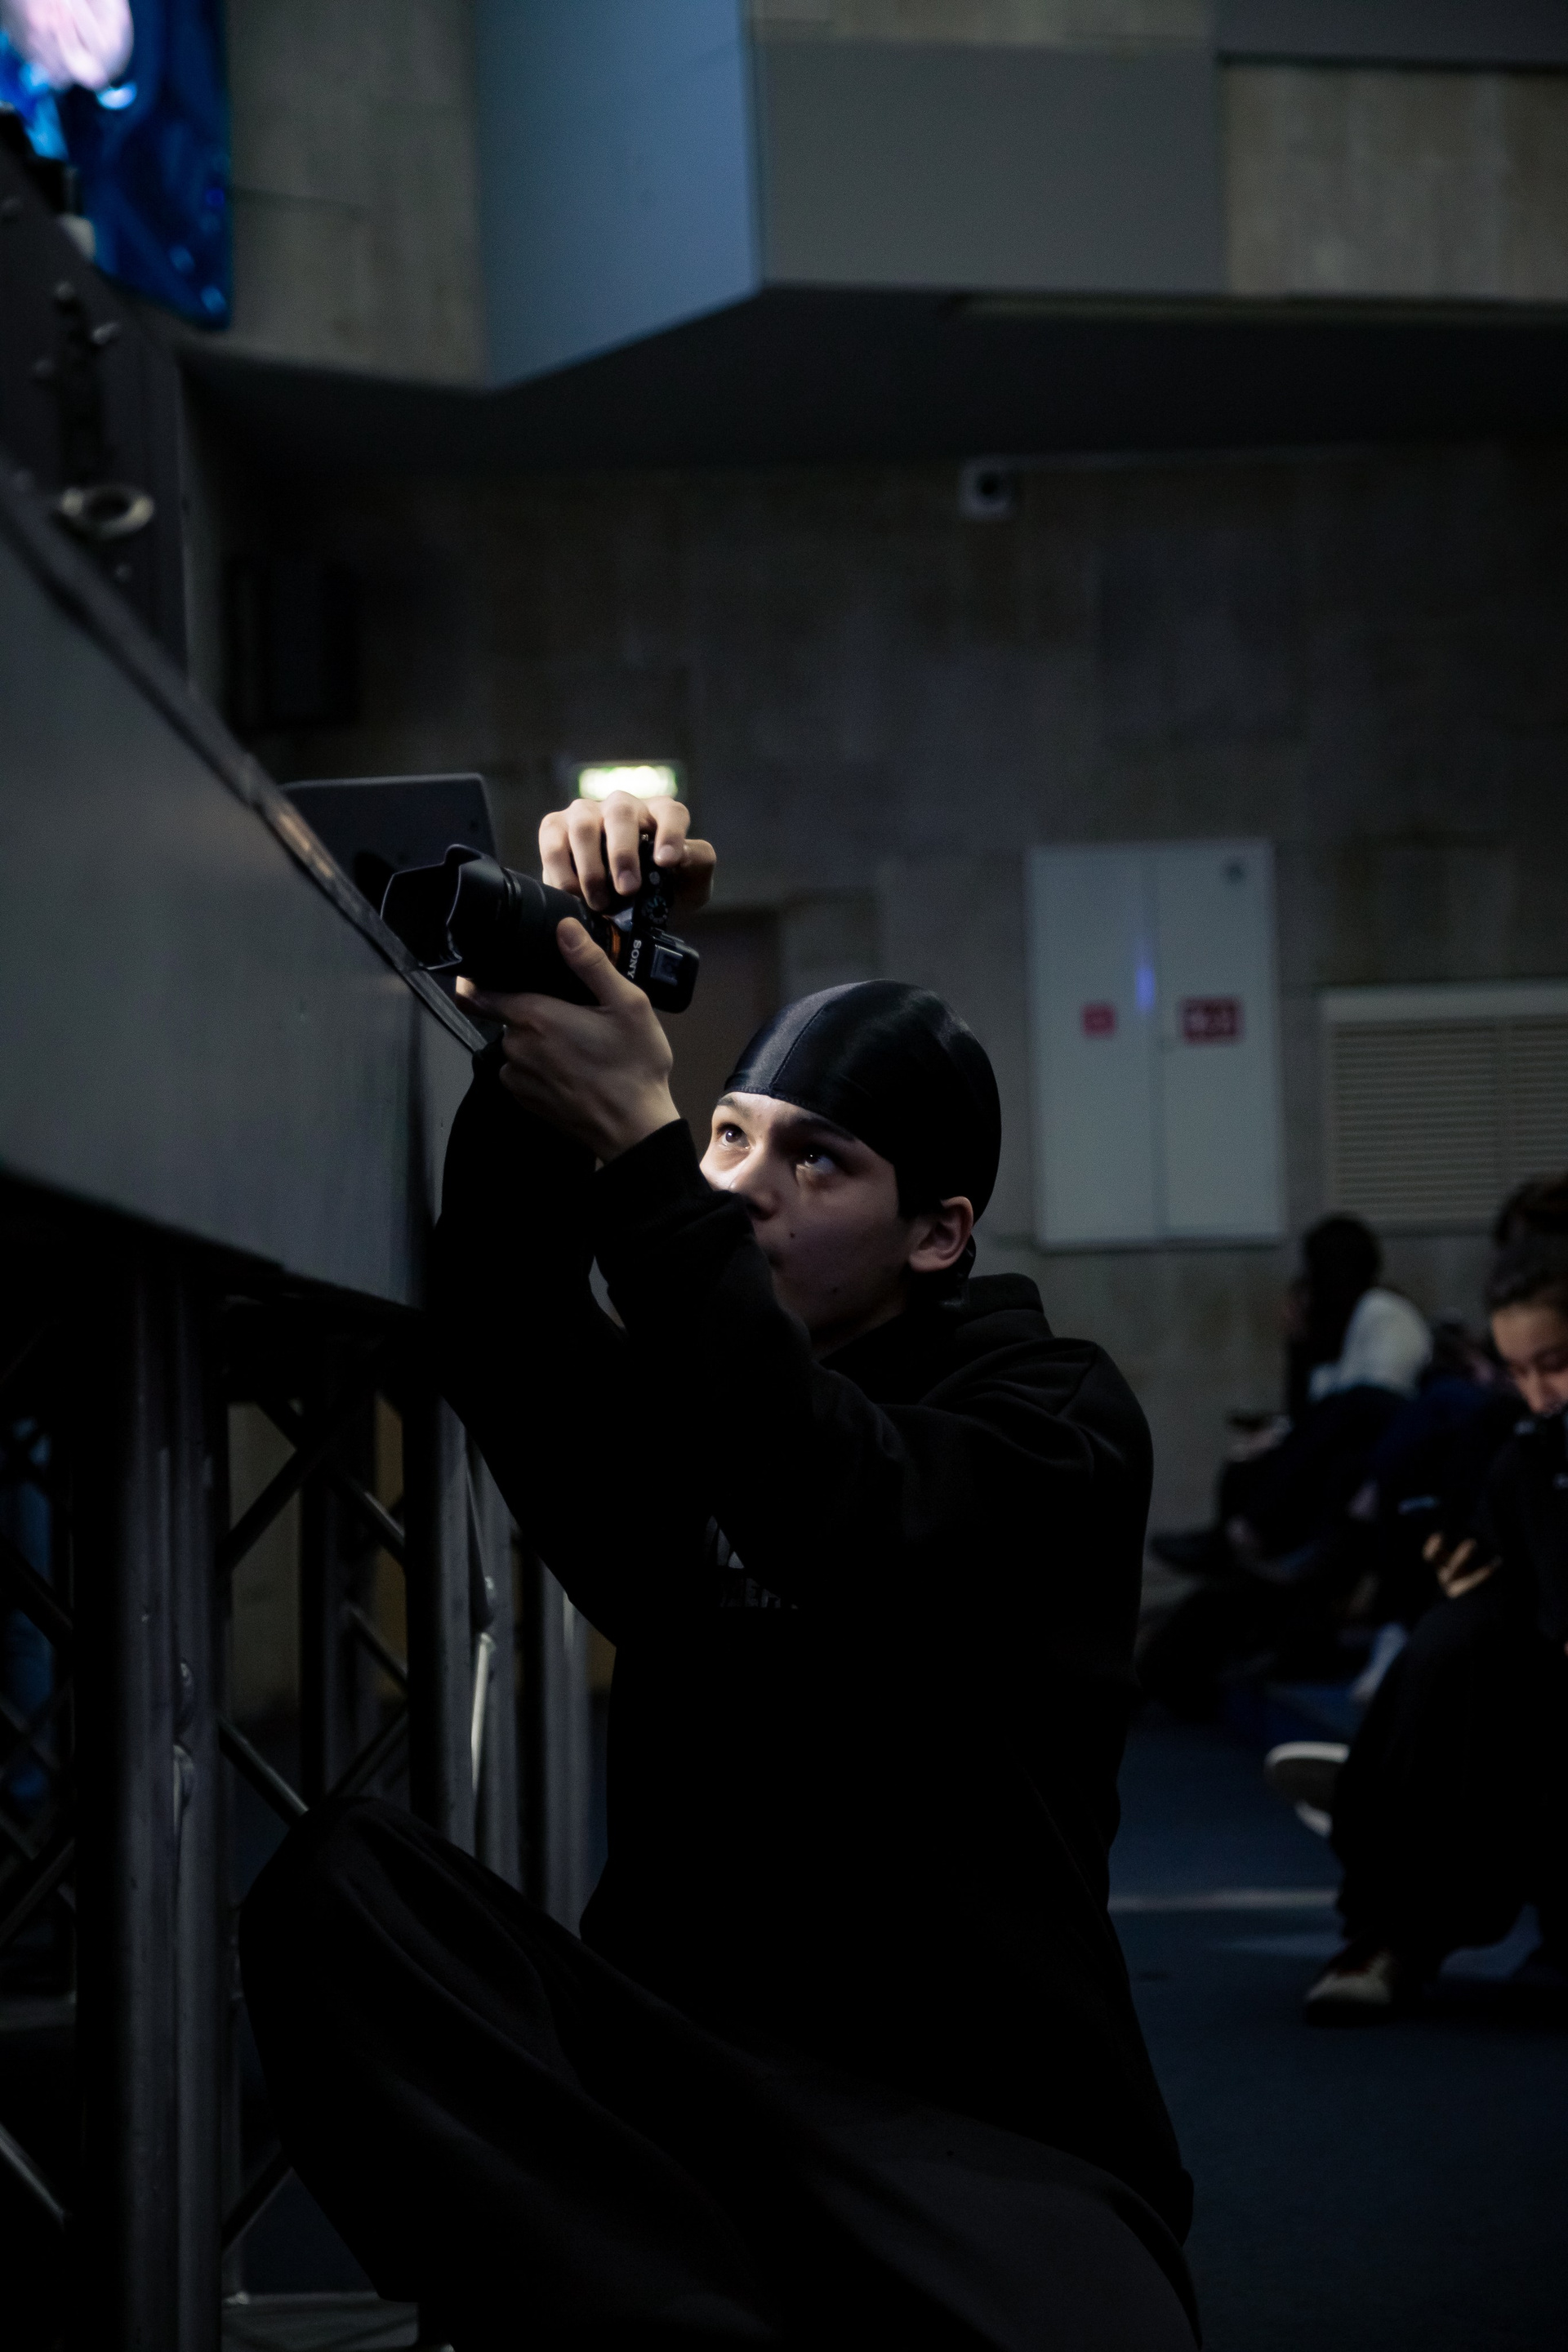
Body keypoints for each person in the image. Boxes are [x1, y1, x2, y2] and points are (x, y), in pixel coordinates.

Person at [240, 793, 1198, 2351]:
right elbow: (508, 1321)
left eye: (819, 1163)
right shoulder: (703, 1402)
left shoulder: (1054, 1426)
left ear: (938, 1236)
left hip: (979, 2141)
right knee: (342, 1891)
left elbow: (841, 1505)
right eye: (732, 1136)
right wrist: (576, 983)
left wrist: (647, 1154)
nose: (747, 1184)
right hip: (692, 2088)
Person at [1284, 1233, 1568, 2023]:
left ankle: (1377, 1803)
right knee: (1453, 1637)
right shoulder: (1531, 1447)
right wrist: (1468, 1564)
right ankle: (1388, 1921)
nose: (1538, 1391)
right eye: (1518, 1370)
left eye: (1554, 1364)